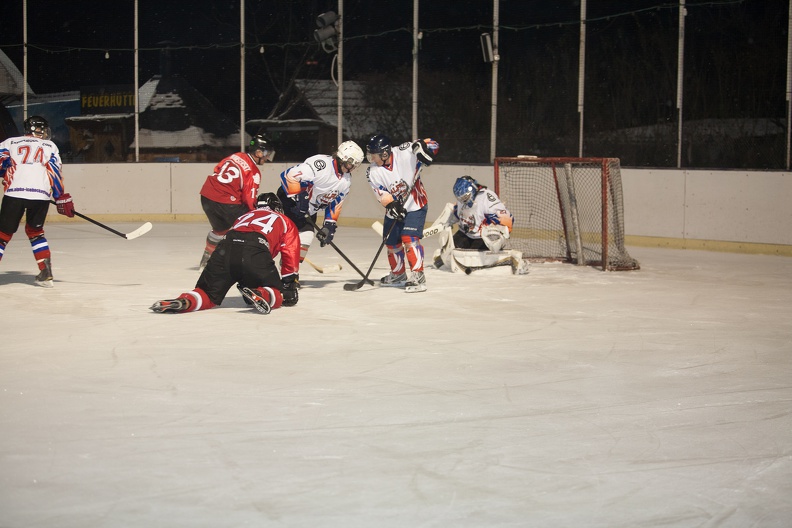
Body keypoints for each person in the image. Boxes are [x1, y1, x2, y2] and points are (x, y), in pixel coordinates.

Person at [150, 192, 300, 315]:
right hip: (255, 250)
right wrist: (289, 283)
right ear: (277, 208)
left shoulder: (244, 216)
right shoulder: (285, 220)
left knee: (206, 293)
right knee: (278, 294)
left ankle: (186, 301)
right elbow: (290, 253)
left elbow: (237, 238)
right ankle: (261, 294)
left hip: (225, 248)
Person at [0, 115, 75, 288]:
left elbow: (1, 163)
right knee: (36, 233)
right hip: (40, 195)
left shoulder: (10, 142)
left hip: (15, 193)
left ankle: (45, 273)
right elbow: (54, 172)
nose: (43, 132)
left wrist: (6, 171)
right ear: (35, 129)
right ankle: (46, 273)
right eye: (41, 129)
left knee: (2, 236)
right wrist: (60, 196)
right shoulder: (50, 146)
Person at [365, 133, 439, 293]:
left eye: (374, 155)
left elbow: (432, 143)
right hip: (394, 209)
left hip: (416, 205)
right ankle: (398, 275)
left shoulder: (404, 152)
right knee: (391, 242)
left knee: (409, 238)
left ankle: (418, 277)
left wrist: (425, 152)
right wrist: (392, 205)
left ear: (385, 153)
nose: (372, 158)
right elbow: (381, 193)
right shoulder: (372, 171)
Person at [276, 140, 364, 263]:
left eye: (355, 165)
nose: (351, 168)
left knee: (305, 238)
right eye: (350, 163)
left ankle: (289, 275)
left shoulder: (346, 181)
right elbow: (289, 176)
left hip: (307, 210)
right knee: (274, 239)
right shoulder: (322, 164)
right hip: (289, 202)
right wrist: (301, 197)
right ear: (342, 157)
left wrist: (329, 225)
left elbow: (335, 203)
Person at [198, 134, 275, 270]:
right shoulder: (253, 172)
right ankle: (247, 261)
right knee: (250, 228)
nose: (267, 157)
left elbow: (217, 169)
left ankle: (207, 258)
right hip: (226, 202)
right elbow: (249, 199)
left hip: (206, 196)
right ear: (258, 152)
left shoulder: (236, 156)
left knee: (220, 229)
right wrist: (257, 214)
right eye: (266, 153)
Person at [433, 175, 528, 274]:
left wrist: (498, 232)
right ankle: (445, 258)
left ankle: (514, 259)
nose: (463, 201)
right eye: (460, 198)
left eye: (465, 197)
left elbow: (506, 217)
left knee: (476, 256)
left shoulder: (486, 197)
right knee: (452, 250)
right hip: (466, 234)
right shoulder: (463, 197)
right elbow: (458, 212)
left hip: (482, 237)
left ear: (472, 189)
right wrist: (449, 219)